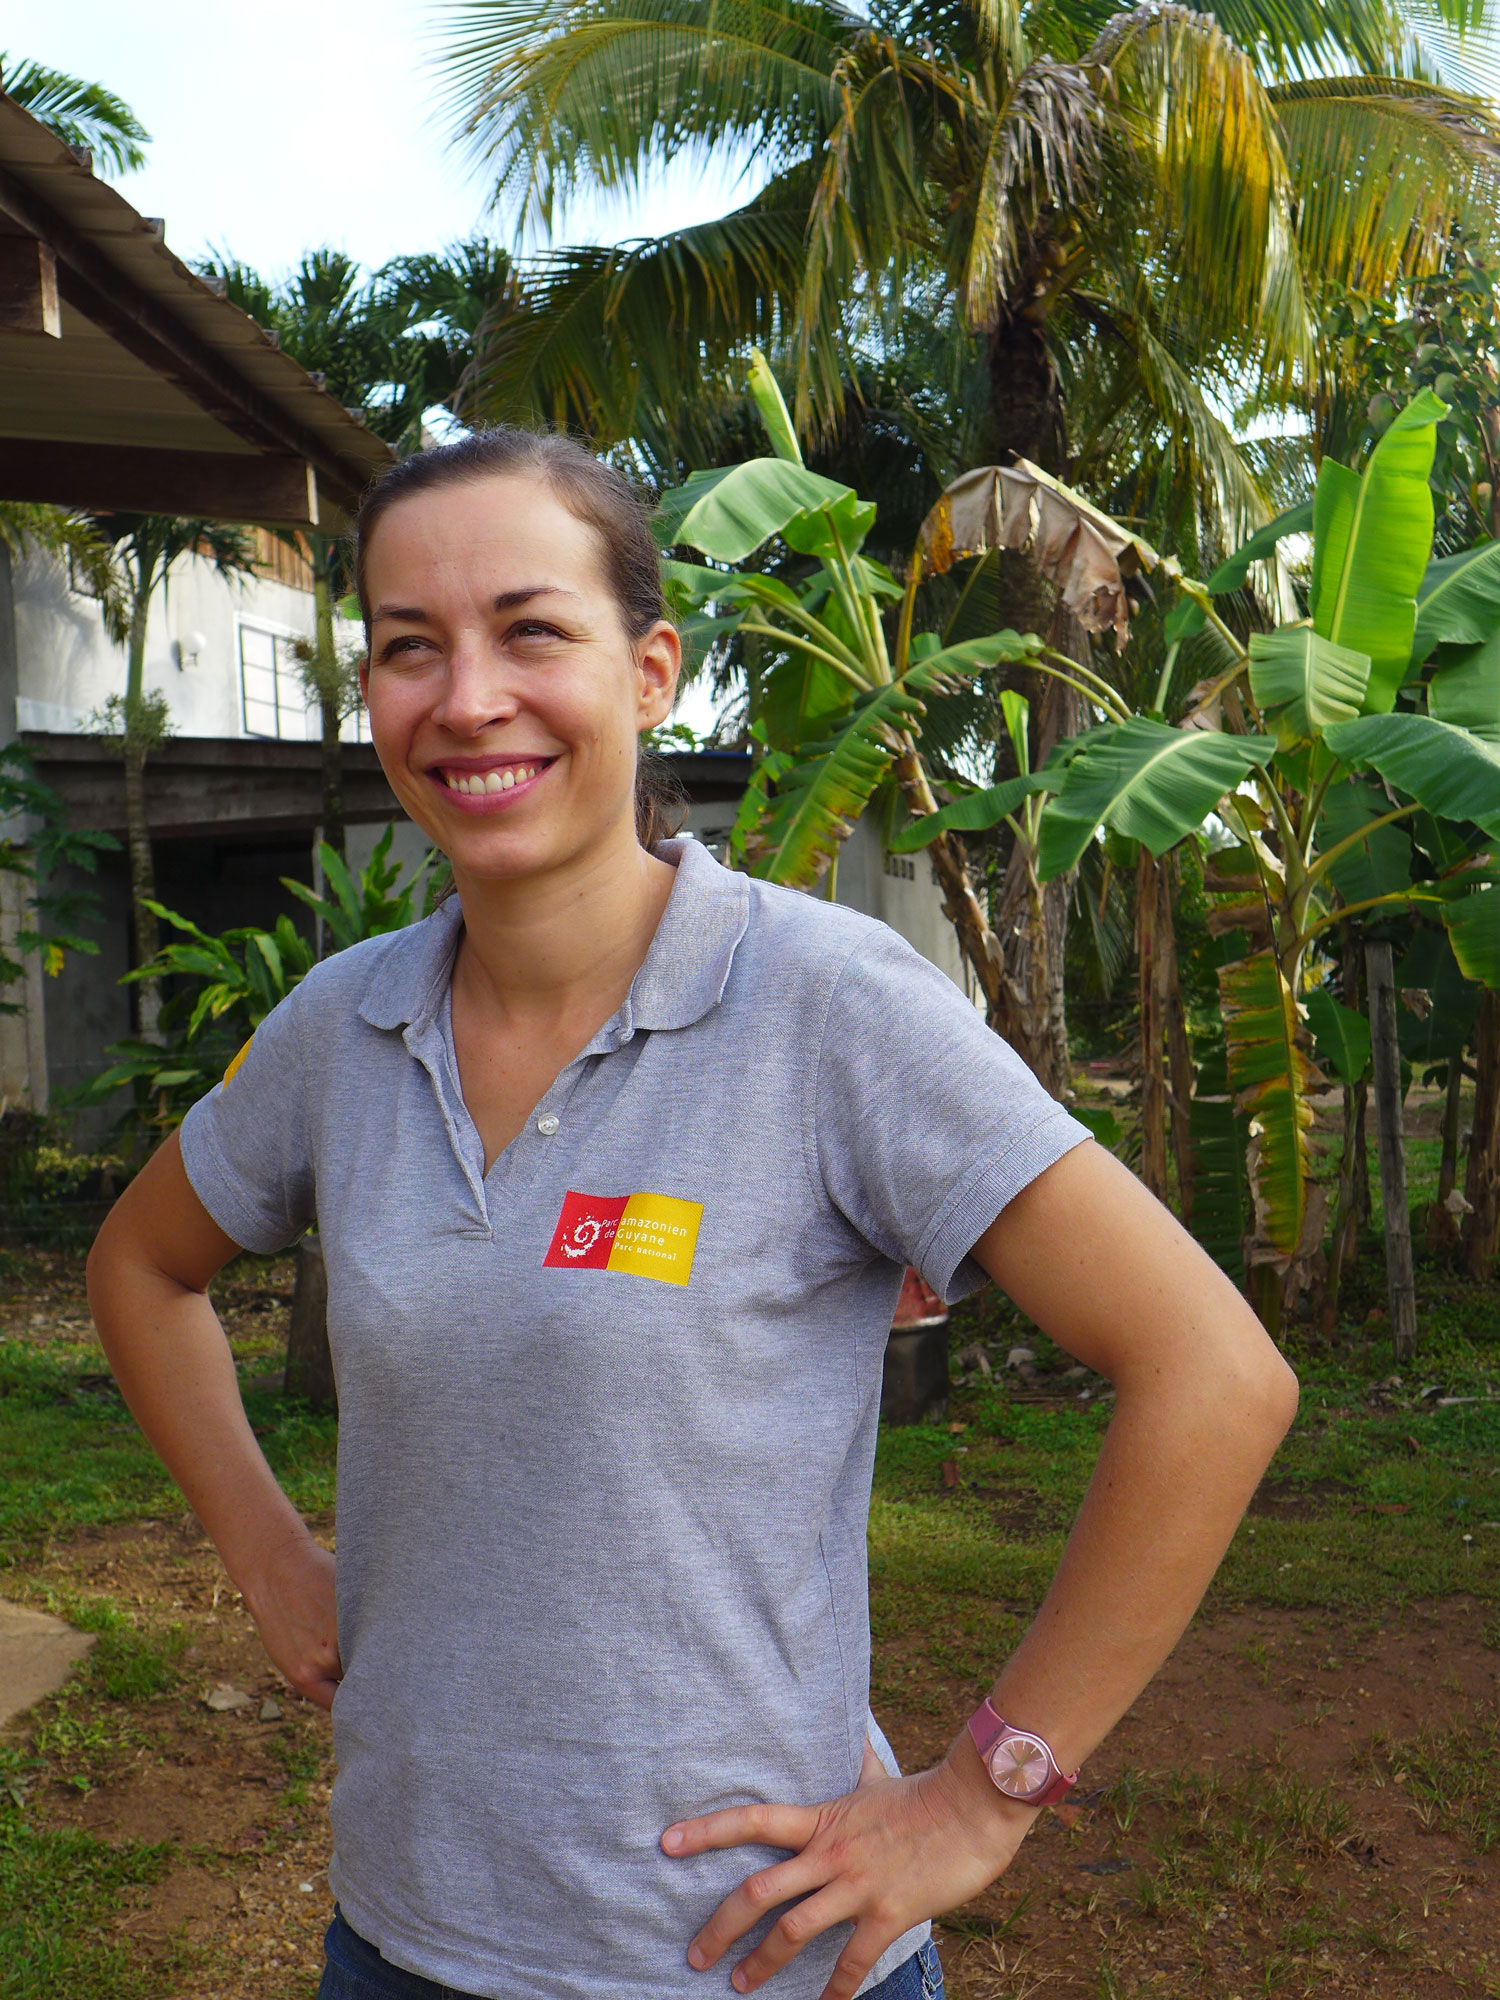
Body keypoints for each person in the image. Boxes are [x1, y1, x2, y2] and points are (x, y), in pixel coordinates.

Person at [87, 428, 1299, 2000]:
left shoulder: (824, 1003)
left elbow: (1215, 1375)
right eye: (408, 646)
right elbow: (143, 1266)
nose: (468, 699)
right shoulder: (343, 1026)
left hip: (747, 1959)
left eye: (533, 630)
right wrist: (265, 1553)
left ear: (651, 670)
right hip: (401, 1940)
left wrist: (982, 1792)